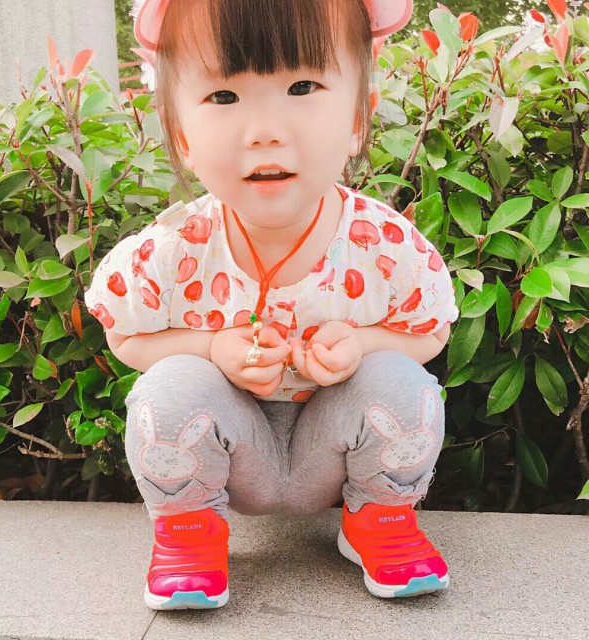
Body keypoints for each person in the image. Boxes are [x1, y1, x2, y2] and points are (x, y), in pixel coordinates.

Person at [85, 0, 459, 610]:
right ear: (180, 134)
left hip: (335, 448)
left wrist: (362, 344)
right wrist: (210, 348)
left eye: (302, 87)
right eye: (224, 96)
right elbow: (124, 335)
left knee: (402, 380)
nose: (264, 129)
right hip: (230, 451)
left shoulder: (383, 246)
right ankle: (188, 531)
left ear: (359, 118)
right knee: (169, 385)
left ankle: (381, 519)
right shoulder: (175, 248)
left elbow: (430, 329)